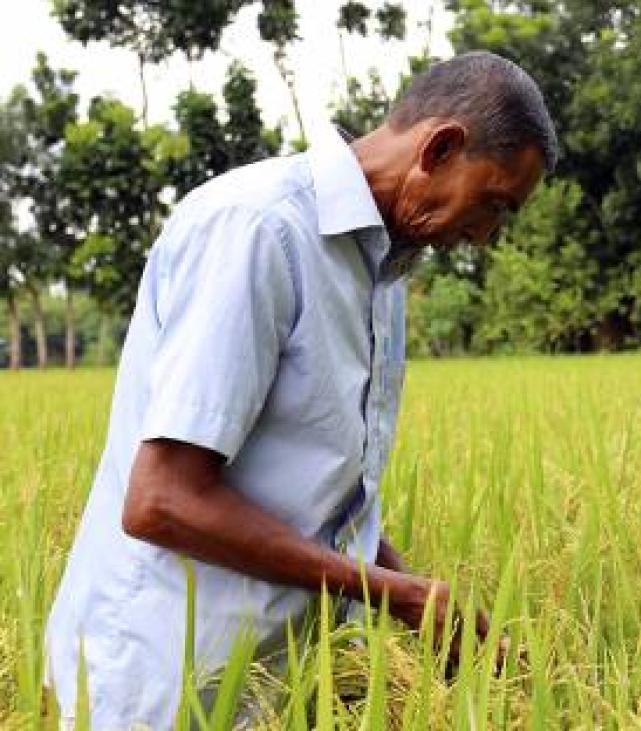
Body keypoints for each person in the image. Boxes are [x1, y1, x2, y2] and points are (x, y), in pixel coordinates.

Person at [44, 52, 555, 728]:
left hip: (271, 683)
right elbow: (162, 500)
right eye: (493, 203)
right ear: (440, 148)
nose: (486, 236)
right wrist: (394, 594)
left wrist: (414, 596)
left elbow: (319, 497)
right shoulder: (259, 229)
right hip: (164, 683)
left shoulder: (383, 270)